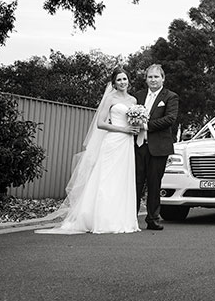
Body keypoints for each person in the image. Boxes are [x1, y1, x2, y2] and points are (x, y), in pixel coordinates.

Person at [37, 69, 141, 234]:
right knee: (106, 179)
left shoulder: (133, 100)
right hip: (113, 141)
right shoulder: (110, 98)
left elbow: (133, 121)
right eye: (119, 79)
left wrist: (137, 125)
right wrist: (124, 129)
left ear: (129, 80)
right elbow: (100, 123)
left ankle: (121, 219)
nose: (123, 82)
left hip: (127, 145)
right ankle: (101, 219)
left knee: (123, 179)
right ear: (114, 83)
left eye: (125, 79)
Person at [134, 64, 179, 231]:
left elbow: (170, 119)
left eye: (156, 77)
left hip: (159, 147)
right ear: (146, 79)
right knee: (135, 183)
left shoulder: (171, 97)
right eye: (150, 77)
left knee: (154, 183)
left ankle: (152, 218)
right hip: (137, 146)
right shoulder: (137, 96)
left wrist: (145, 125)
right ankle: (131, 218)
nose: (153, 80)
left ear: (163, 78)